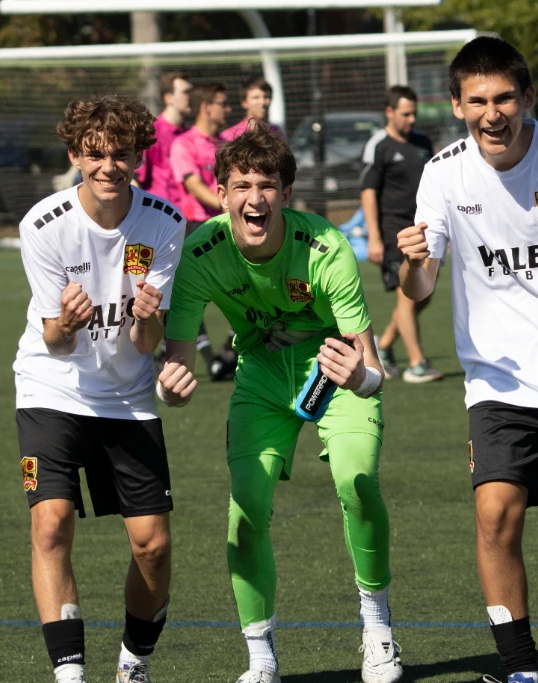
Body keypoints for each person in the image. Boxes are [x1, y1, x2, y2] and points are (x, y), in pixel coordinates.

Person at [397, 37, 538, 683]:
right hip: (497, 377)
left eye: (504, 98)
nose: (491, 113)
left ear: (527, 98)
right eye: (477, 101)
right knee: (495, 514)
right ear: (456, 105)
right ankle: (520, 669)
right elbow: (418, 287)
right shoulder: (442, 173)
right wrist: (413, 262)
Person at [158, 124, 403, 683]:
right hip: (262, 376)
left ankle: (377, 627)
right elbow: (176, 365)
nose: (256, 198)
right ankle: (260, 656)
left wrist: (359, 378)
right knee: (244, 512)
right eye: (242, 186)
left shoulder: (326, 246)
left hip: (333, 368)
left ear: (286, 194)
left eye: (267, 185)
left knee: (357, 480)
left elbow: (373, 372)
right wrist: (169, 389)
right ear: (222, 194)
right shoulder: (200, 253)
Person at [13, 93, 186, 683]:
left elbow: (145, 342)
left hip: (126, 395)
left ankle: (133, 663)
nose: (109, 166)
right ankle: (69, 674)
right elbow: (54, 341)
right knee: (51, 522)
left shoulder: (164, 222)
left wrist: (147, 317)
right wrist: (67, 322)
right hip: (51, 385)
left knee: (152, 546)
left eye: (121, 154)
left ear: (139, 156)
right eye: (95, 154)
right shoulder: (43, 225)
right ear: (75, 156)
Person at [360, 85, 441, 383]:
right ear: (389, 112)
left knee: (424, 294)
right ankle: (417, 364)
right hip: (394, 233)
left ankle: (383, 345)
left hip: (425, 230)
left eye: (414, 113)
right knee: (407, 296)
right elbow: (368, 192)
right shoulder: (378, 145)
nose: (412, 119)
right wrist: (374, 236)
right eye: (406, 114)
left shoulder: (422, 141)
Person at [169, 82, 237, 380]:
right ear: (207, 107)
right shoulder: (183, 144)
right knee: (187, 297)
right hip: (195, 227)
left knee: (248, 285)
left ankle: (230, 351)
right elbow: (193, 184)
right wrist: (228, 206)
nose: (228, 109)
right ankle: (210, 359)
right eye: (223, 103)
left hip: (227, 225)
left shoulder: (227, 143)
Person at [135, 70, 192, 208]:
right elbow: (136, 178)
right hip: (158, 212)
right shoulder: (152, 132)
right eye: (186, 92)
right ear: (168, 98)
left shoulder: (189, 134)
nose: (191, 97)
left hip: (187, 214)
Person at [220, 75, 285, 142]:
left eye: (266, 97)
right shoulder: (231, 136)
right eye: (256, 97)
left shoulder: (276, 132)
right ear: (244, 102)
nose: (262, 102)